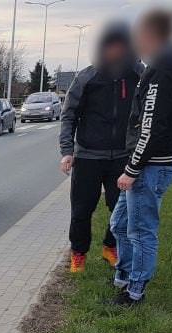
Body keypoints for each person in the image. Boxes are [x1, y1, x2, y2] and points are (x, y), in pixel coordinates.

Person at [110, 8, 172, 305]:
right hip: (149, 163)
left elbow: (151, 124)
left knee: (140, 230)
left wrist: (132, 169)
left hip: (150, 166)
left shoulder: (163, 69)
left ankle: (135, 292)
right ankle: (123, 275)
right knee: (118, 224)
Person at [59, 21, 143, 273]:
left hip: (122, 156)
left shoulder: (138, 74)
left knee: (121, 208)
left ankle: (110, 246)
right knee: (82, 209)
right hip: (88, 156)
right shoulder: (87, 77)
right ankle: (78, 253)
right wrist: (67, 151)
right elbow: (69, 115)